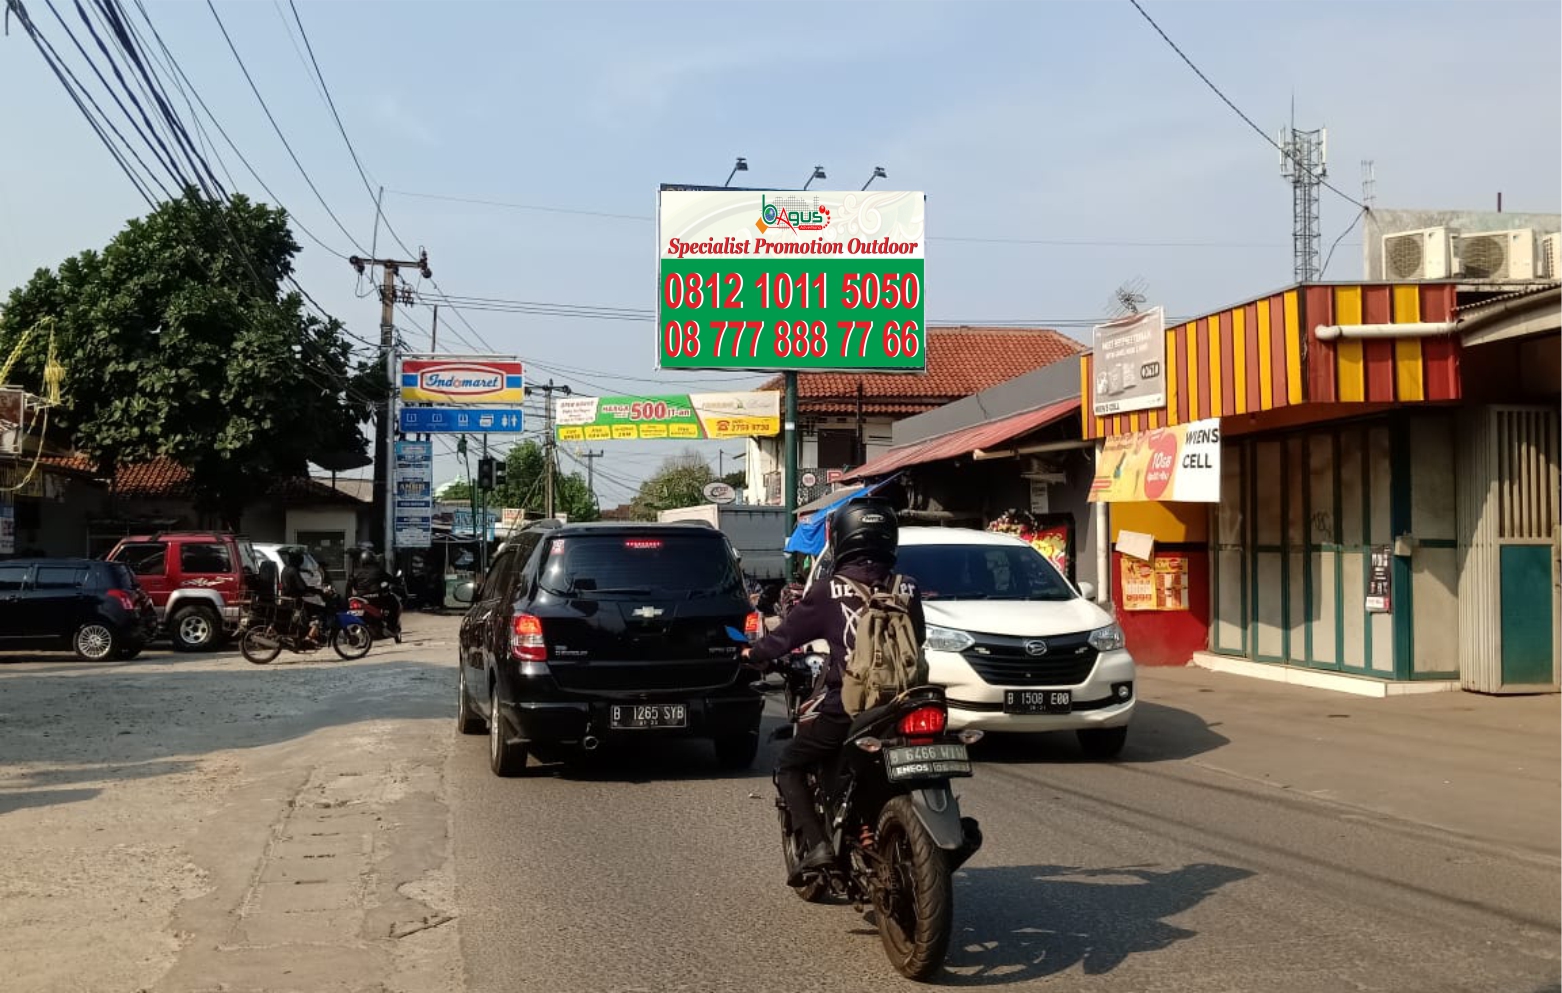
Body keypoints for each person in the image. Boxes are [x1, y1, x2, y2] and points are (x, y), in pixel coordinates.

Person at [743, 497, 927, 884]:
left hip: (849, 707)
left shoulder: (828, 591)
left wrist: (753, 654)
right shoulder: (907, 587)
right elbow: (919, 639)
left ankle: (819, 846)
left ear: (843, 538)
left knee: (790, 765)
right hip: (903, 704)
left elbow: (783, 639)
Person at [280, 548, 330, 643]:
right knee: (320, 611)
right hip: (294, 602)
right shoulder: (293, 571)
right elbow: (302, 587)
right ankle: (309, 637)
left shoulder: (286, 569)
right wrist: (318, 591)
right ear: (297, 559)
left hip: (288, 600)